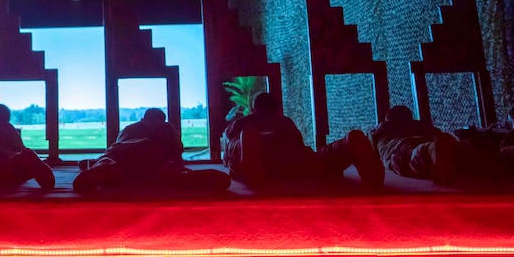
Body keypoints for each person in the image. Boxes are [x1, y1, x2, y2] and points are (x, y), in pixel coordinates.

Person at [223, 92, 384, 189]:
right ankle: (346, 145)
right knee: (320, 161)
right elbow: (297, 141)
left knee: (238, 151)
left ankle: (249, 145)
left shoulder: (245, 122)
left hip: (258, 154)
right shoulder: (285, 121)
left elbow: (229, 134)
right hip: (293, 156)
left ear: (253, 109)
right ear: (277, 109)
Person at [73, 108, 231, 194]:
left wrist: (98, 161)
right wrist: (176, 164)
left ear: (142, 119)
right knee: (170, 168)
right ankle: (181, 176)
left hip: (124, 155)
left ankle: (102, 168)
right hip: (156, 159)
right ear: (163, 119)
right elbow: (177, 151)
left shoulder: (131, 127)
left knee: (109, 160)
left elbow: (116, 147)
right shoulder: (167, 127)